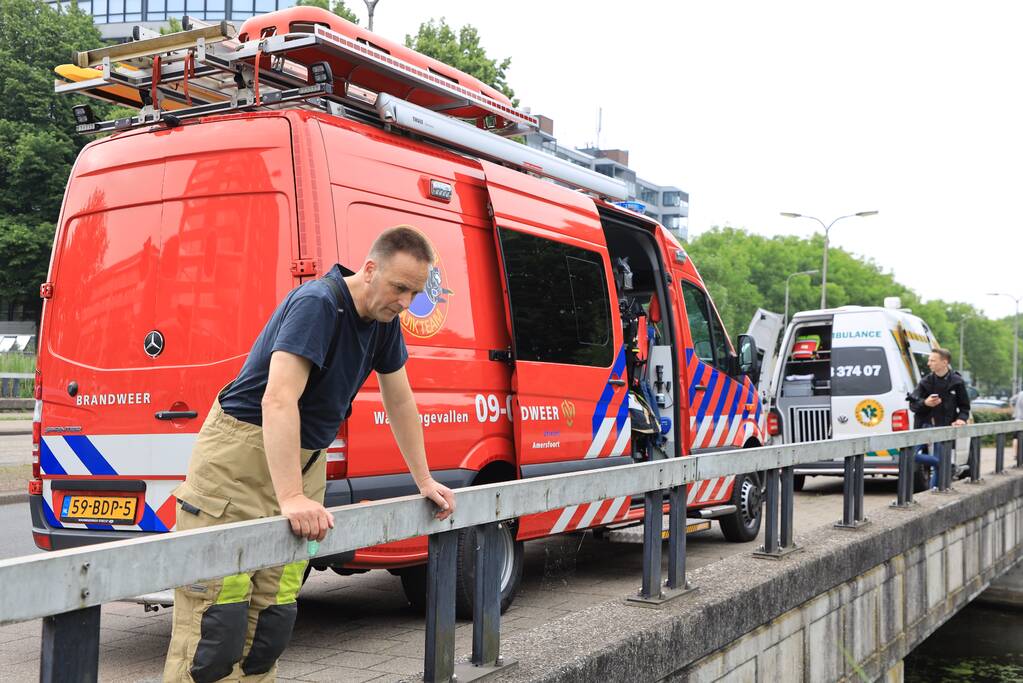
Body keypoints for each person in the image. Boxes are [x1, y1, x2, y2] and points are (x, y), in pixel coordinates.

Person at [164, 227, 456, 683]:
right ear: (371, 268)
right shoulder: (319, 303)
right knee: (217, 624)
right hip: (239, 454)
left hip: (301, 459)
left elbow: (401, 402)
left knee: (271, 619)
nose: (405, 301)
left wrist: (424, 480)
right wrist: (292, 497)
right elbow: (278, 399)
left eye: (415, 293)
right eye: (400, 288)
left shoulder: (383, 323)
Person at [908, 348, 971, 488]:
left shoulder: (957, 382)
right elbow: (913, 405)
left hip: (944, 427)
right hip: (924, 425)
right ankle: (947, 465)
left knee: (939, 464)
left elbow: (965, 407)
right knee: (910, 456)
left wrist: (961, 419)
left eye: (932, 360)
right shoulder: (925, 382)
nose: (929, 363)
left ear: (944, 362)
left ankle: (934, 491)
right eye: (929, 360)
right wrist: (925, 403)